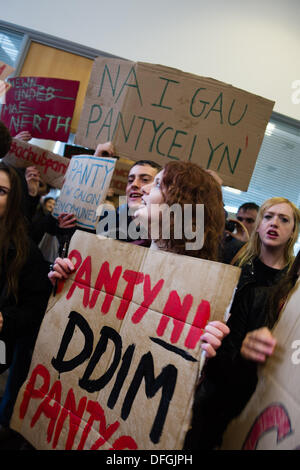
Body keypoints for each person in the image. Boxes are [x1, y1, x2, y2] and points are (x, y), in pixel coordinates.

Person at [49, 161, 230, 359]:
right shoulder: (115, 261)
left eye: (158, 184)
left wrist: (212, 350)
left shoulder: (207, 292)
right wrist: (66, 283)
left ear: (181, 205)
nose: (144, 189)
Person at [184, 196, 300, 449]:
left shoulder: (293, 287)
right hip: (215, 382)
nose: (274, 223)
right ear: (258, 226)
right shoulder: (233, 265)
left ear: (293, 232)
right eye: (268, 217)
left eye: (284, 219)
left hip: (257, 392)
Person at [0, 162, 52, 438]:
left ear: (13, 201)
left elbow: (35, 309)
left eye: (0, 191)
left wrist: (5, 320)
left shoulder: (23, 251)